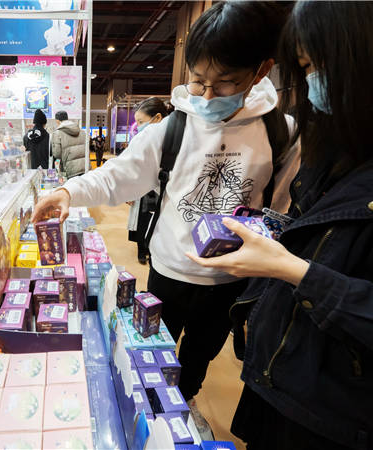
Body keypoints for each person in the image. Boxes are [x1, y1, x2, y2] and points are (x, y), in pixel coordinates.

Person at [31, 1, 298, 438]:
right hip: (169, 270)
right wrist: (68, 192)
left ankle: (184, 403)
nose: (207, 96)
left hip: (230, 281)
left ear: (261, 71)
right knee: (151, 344)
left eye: (225, 83)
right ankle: (148, 414)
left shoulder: (281, 132)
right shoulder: (171, 129)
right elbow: (117, 176)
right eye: (198, 81)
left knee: (200, 354)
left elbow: (282, 210)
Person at [188, 2, 373, 449]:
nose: (313, 82)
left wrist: (287, 268)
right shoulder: (336, 146)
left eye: (316, 65)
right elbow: (306, 227)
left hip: (332, 409)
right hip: (279, 376)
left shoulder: (281, 132)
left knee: (197, 349)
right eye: (306, 67)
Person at [127, 98, 173, 264]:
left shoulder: (174, 141)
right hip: (144, 191)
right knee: (142, 221)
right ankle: (142, 250)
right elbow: (131, 168)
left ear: (158, 118)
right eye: (137, 122)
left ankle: (152, 251)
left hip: (165, 193)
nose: (138, 126)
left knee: (159, 224)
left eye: (141, 122)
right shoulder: (140, 140)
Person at [51, 111, 86, 178]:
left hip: (70, 169)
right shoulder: (82, 132)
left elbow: (57, 154)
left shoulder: (57, 133)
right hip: (84, 167)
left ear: (57, 120)